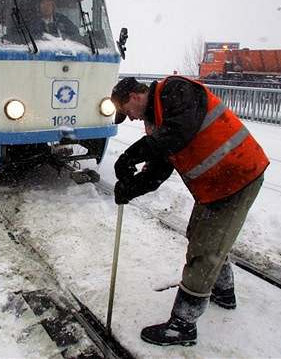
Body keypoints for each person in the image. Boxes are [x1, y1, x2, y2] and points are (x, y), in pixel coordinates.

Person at [111, 75, 269, 347]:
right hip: (216, 183)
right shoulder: (155, 122)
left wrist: (129, 156)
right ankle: (223, 291)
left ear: (135, 97)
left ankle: (183, 325)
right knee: (199, 233)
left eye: (127, 113)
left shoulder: (175, 91)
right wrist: (130, 188)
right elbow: (158, 169)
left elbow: (177, 133)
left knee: (205, 249)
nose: (132, 119)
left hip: (239, 174)